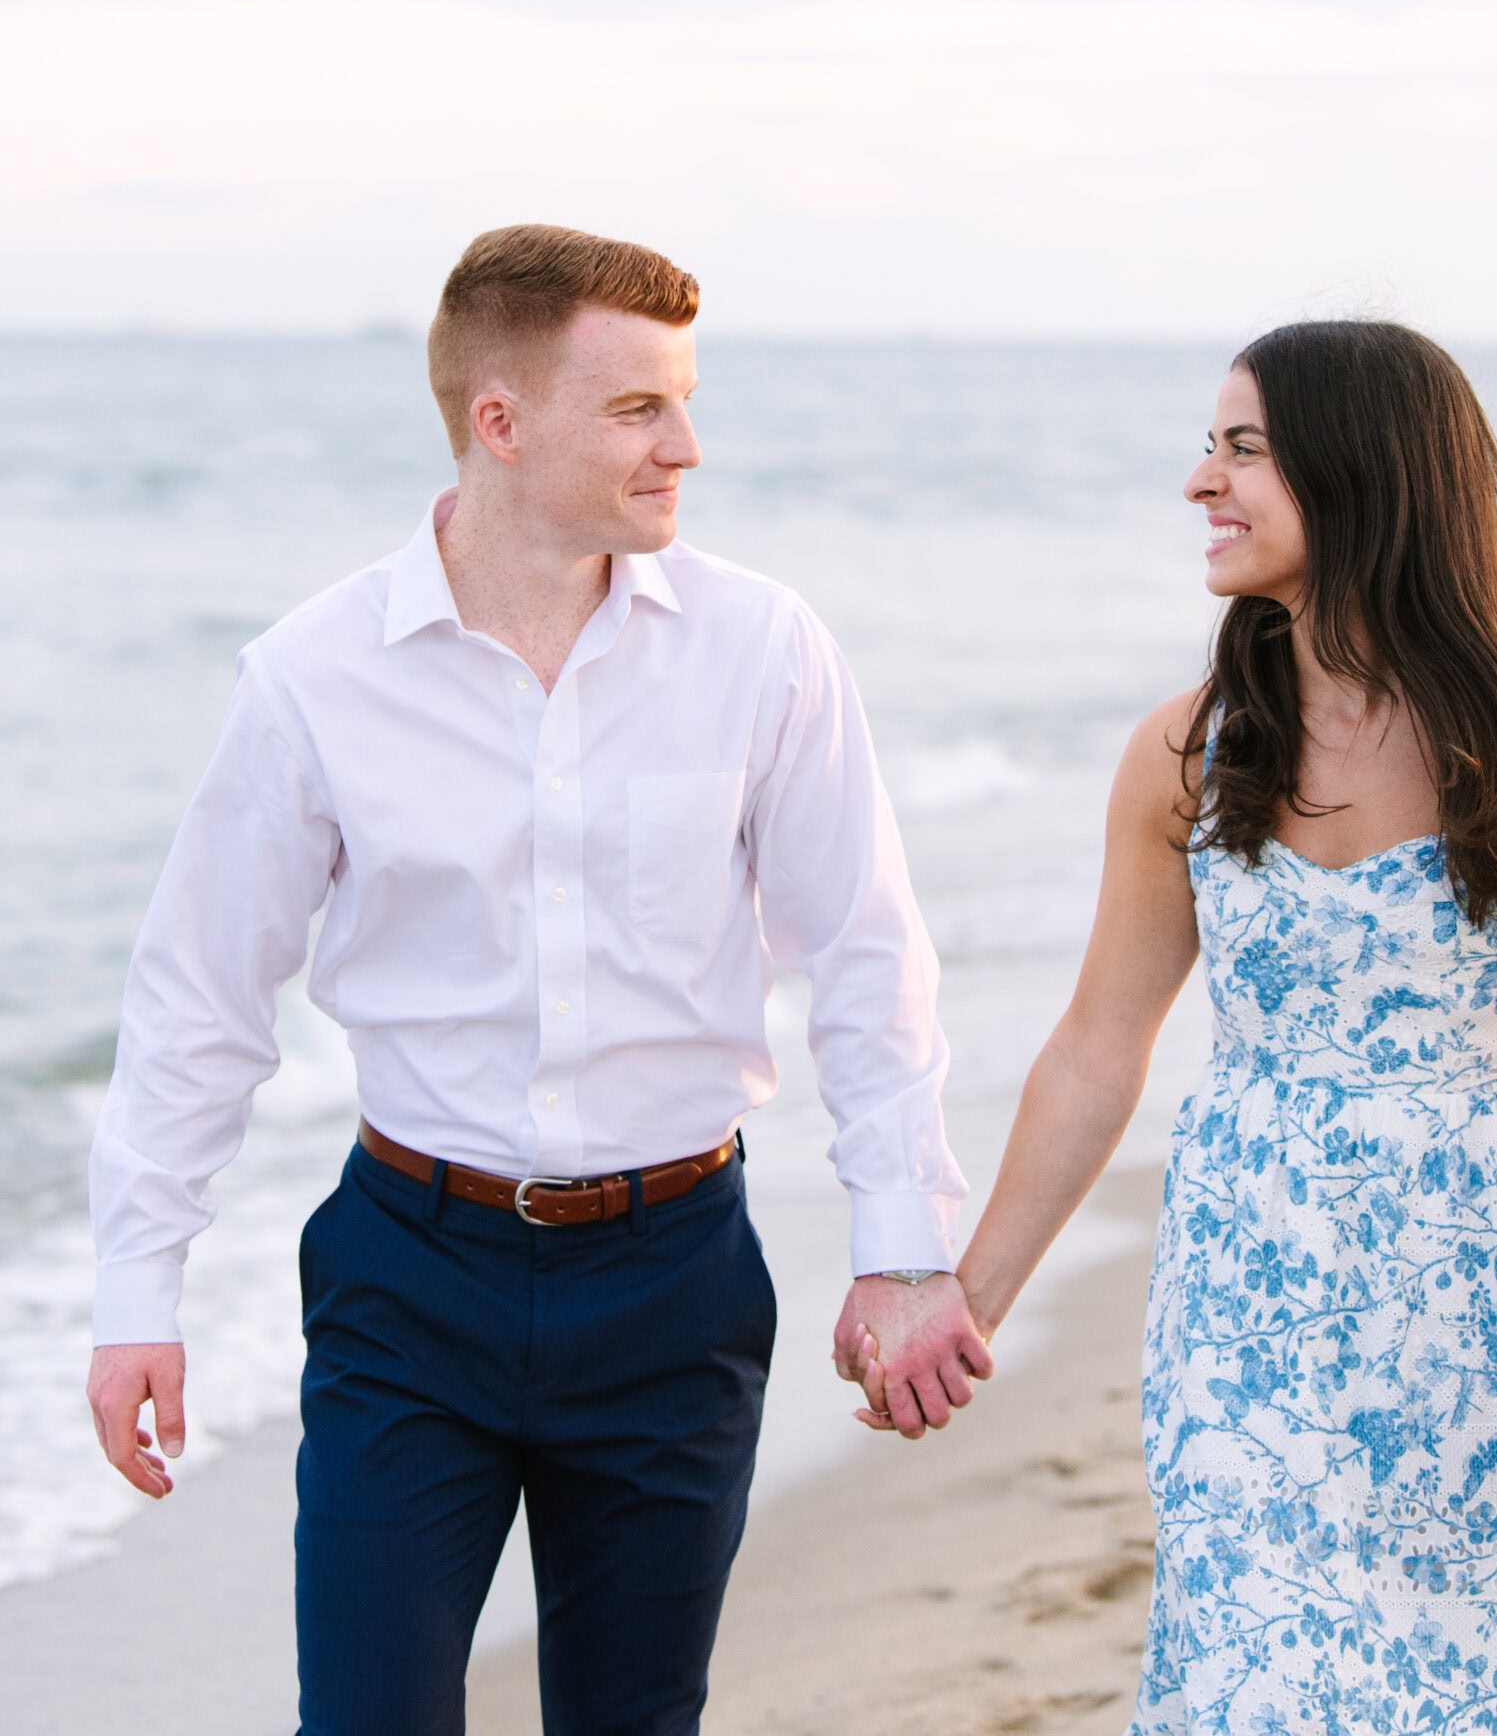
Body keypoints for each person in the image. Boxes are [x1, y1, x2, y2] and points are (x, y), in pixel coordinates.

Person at [86, 221, 990, 1736]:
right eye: (639, 408)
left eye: (684, 401)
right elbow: (199, 1000)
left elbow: (866, 958)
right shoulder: (313, 678)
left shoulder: (763, 650)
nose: (686, 446)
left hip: (674, 1281)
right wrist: (137, 1294)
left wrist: (901, 1247)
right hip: (408, 1280)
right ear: (499, 423)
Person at [856, 319, 1497, 1731]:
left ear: (1362, 472)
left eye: (1243, 449)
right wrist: (966, 1298)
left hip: (1488, 1311)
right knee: (1256, 1682)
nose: (1201, 482)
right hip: (1250, 1311)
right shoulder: (1193, 750)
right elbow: (1097, 1047)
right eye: (1209, 446)